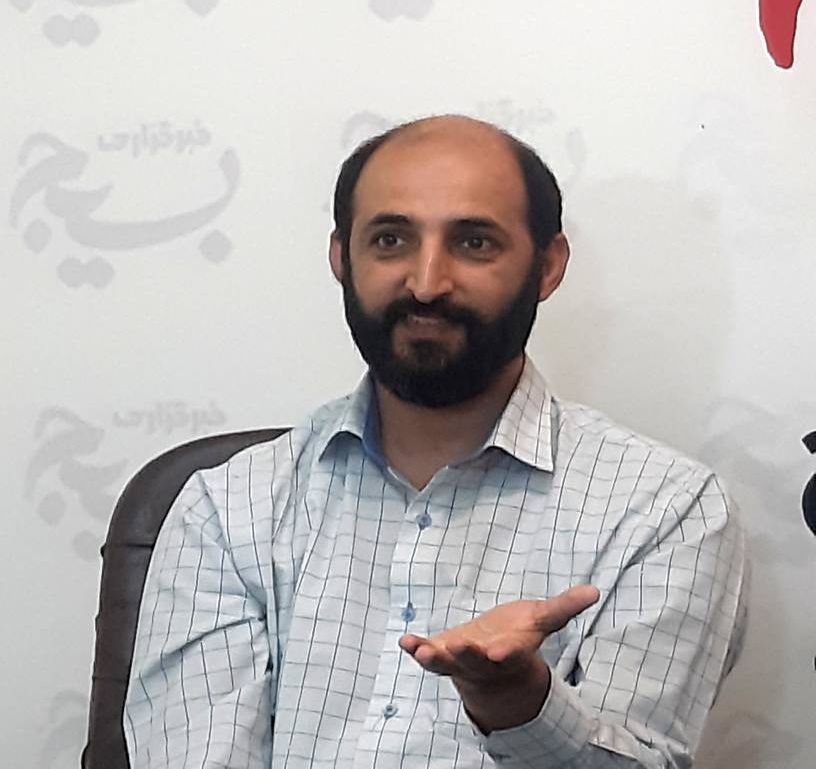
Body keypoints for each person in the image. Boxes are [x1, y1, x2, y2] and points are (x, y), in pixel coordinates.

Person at [122, 115, 747, 768]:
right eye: (390, 240)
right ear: (342, 259)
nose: (426, 283)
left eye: (474, 243)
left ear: (547, 267)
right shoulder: (229, 508)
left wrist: (520, 707)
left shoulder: (667, 509)